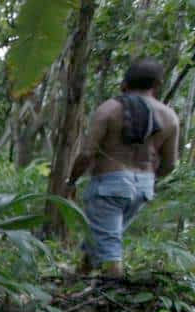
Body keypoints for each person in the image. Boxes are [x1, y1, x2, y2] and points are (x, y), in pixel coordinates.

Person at [67, 57, 179, 278]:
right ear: (157, 85)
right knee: (105, 233)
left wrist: (71, 181)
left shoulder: (109, 109)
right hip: (144, 186)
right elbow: (170, 164)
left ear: (124, 83)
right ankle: (81, 272)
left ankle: (112, 296)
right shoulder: (170, 117)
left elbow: (87, 153)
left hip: (109, 183)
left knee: (109, 247)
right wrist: (148, 180)